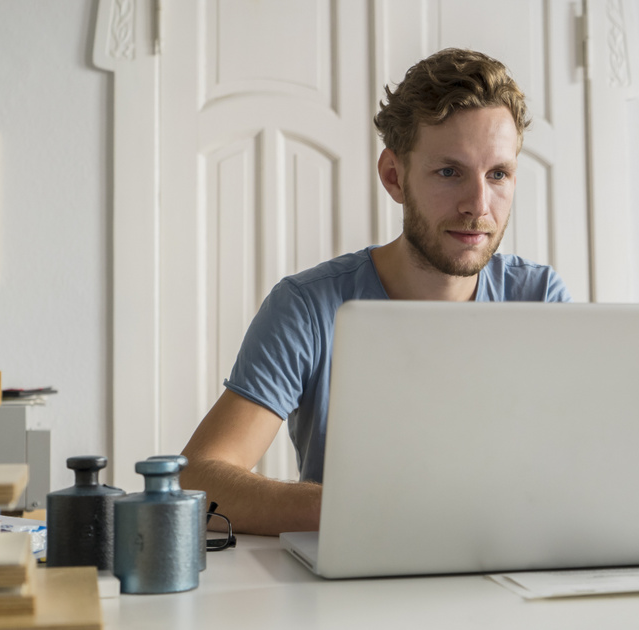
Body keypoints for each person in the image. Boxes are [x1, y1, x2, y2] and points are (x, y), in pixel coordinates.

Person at [180, 48, 571, 535]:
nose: (478, 205)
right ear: (394, 176)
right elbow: (197, 479)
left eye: (498, 174)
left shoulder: (539, 299)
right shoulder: (308, 308)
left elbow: (578, 470)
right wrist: (367, 509)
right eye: (449, 172)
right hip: (352, 589)